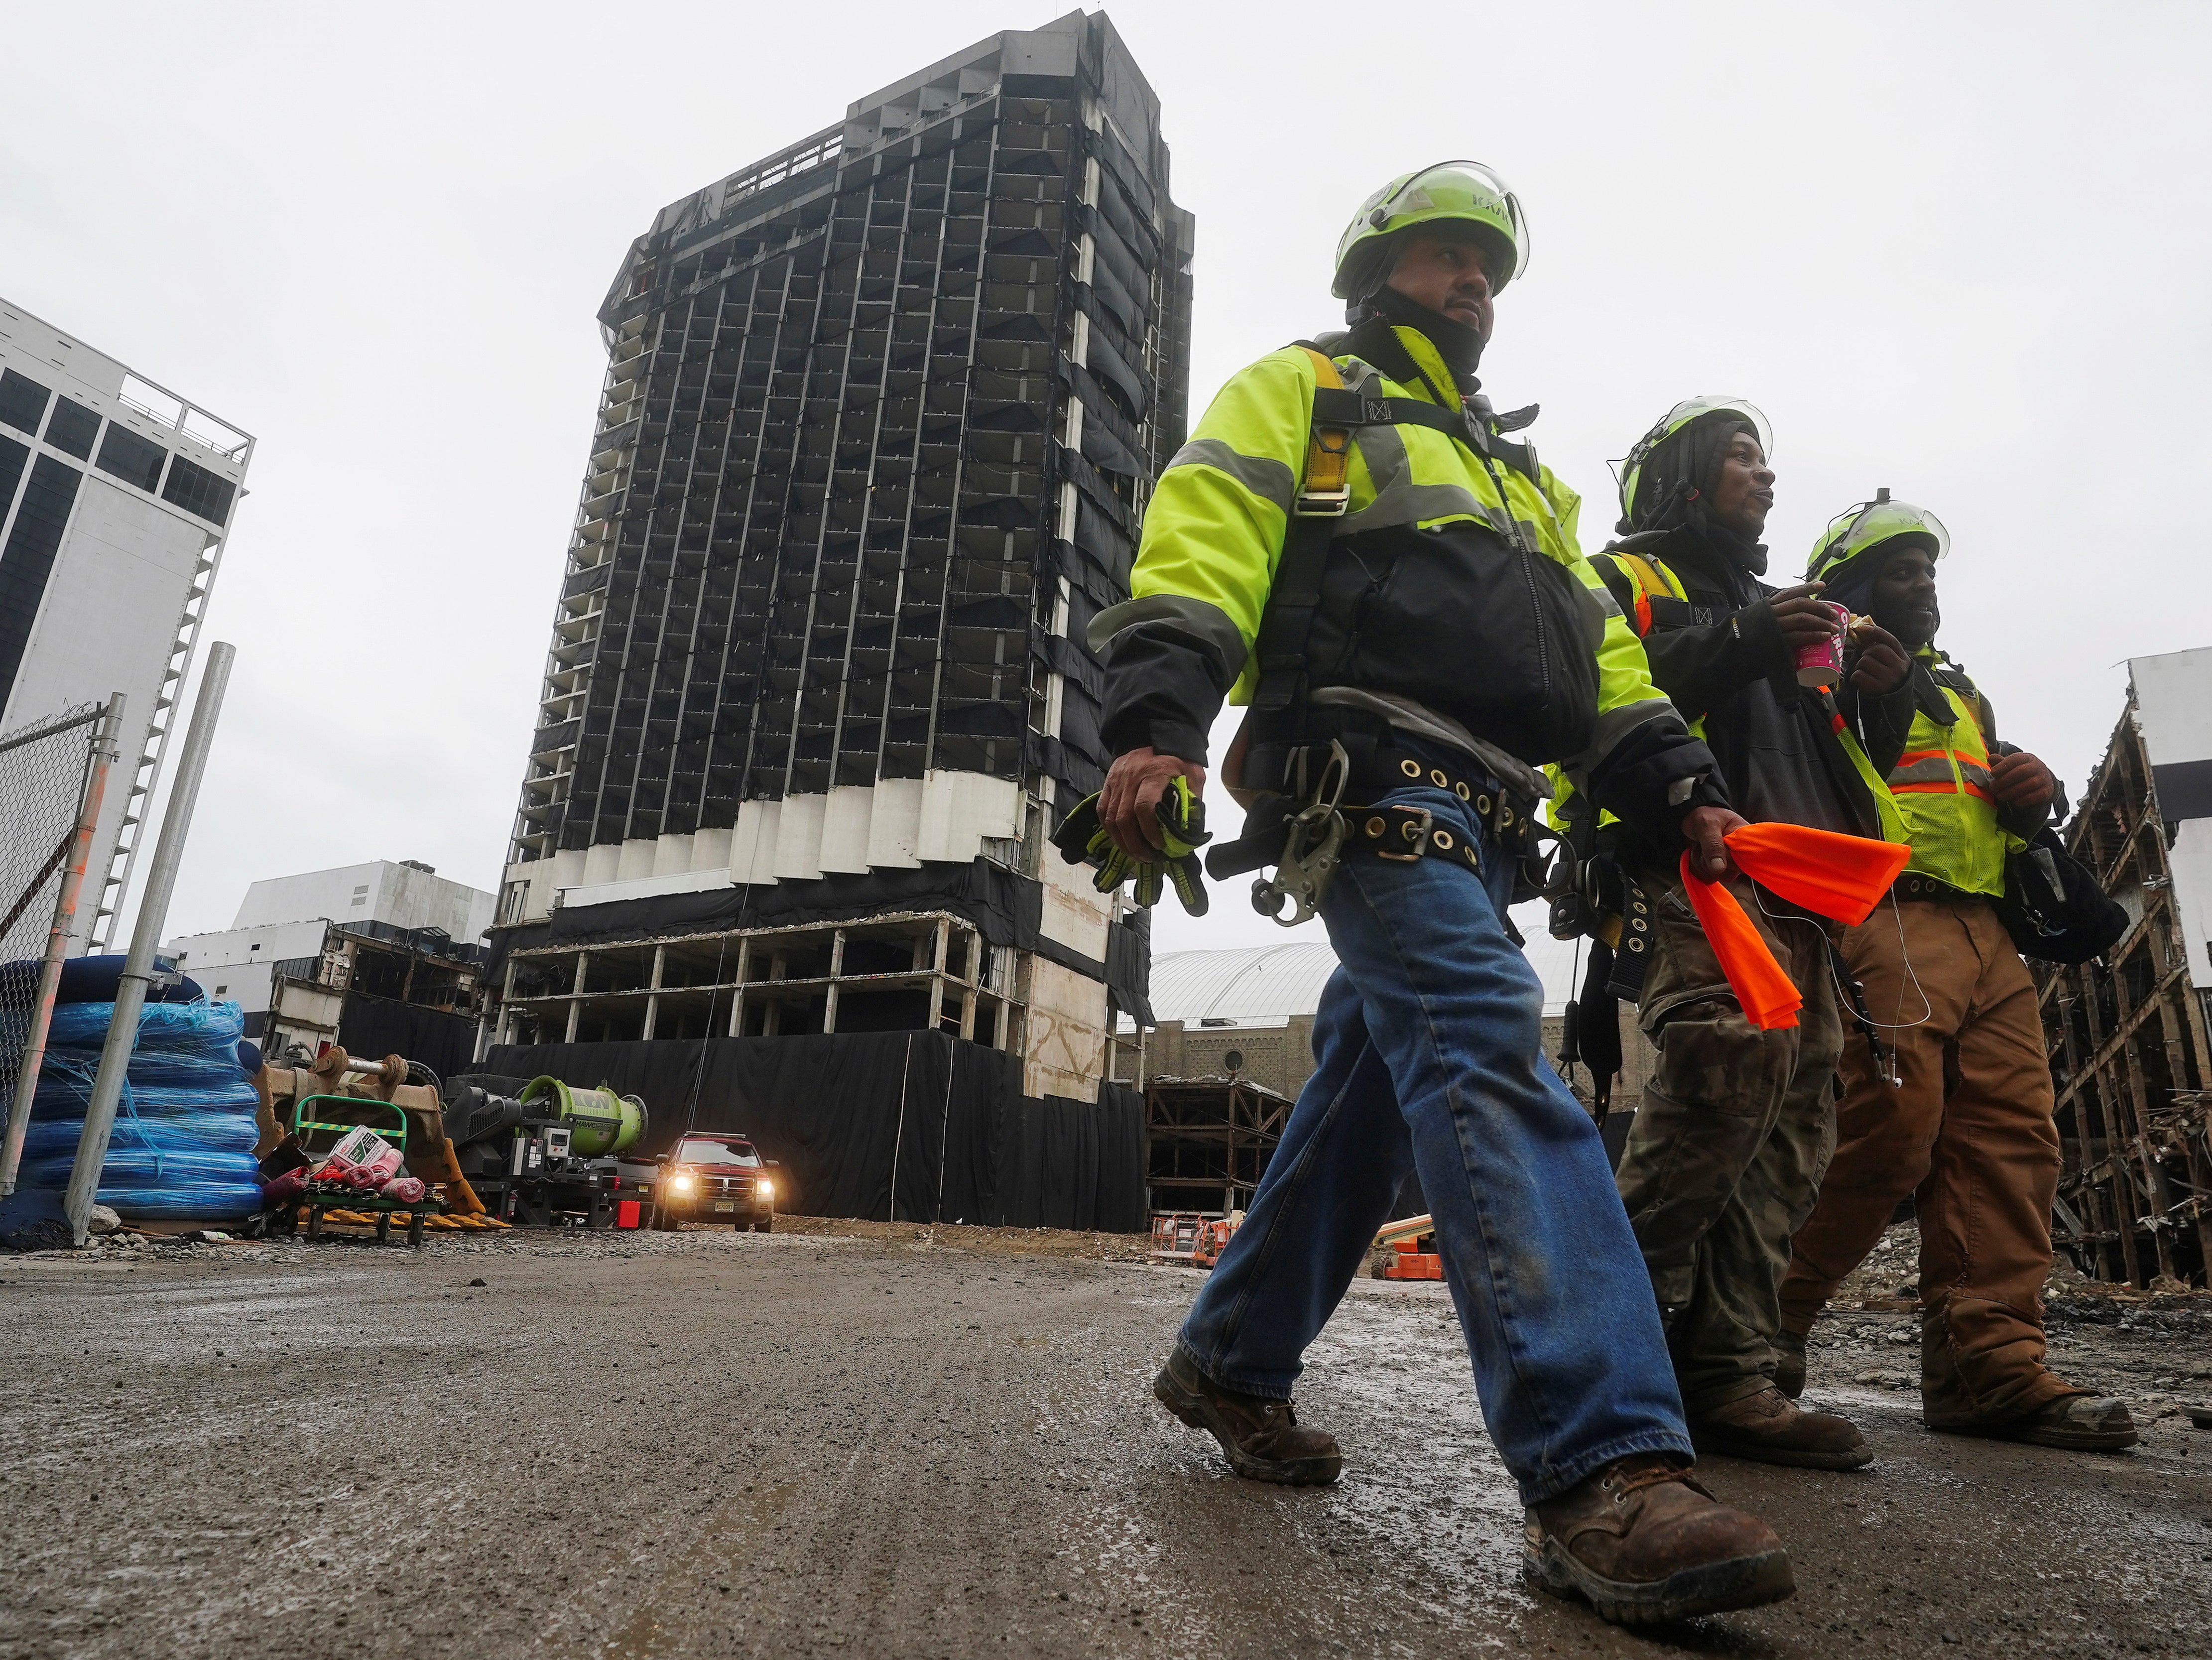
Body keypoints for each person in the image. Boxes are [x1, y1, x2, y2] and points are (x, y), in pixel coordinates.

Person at [1082, 163, 1793, 1627]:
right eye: (1440, 258)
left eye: (1486, 266)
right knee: (1481, 1036)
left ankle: (1229, 1357)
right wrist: (1158, 719)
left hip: (1489, 813)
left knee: (1360, 1090)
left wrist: (1677, 785)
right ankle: (1602, 1462)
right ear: (1374, 273)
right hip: (1368, 779)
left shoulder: (1524, 481)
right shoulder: (1310, 391)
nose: (1469, 281)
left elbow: (1602, 664)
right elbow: (1206, 533)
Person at [1576, 401, 1914, 1471]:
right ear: (1679, 476)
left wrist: (1881, 696)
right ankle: (1599, 1360)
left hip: (1798, 883)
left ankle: (1731, 1375)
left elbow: (1831, 754)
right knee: (1727, 1069)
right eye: (1739, 455)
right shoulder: (1624, 579)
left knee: (1794, 1121)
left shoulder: (1788, 612)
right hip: (1692, 863)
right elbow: (1595, 694)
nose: (1764, 475)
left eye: (1766, 457)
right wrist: (1743, 640)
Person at [1773, 500, 2138, 1451]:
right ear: (1850, 588)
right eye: (1899, 570)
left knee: (2010, 1145)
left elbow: (1970, 806)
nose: (1923, 583)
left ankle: (1990, 1366)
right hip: (1886, 915)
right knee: (1883, 1129)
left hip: (1985, 934)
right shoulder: (1813, 660)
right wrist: (1855, 689)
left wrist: (2033, 794)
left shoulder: (1960, 694)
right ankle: (1754, 1333)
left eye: (1929, 569)